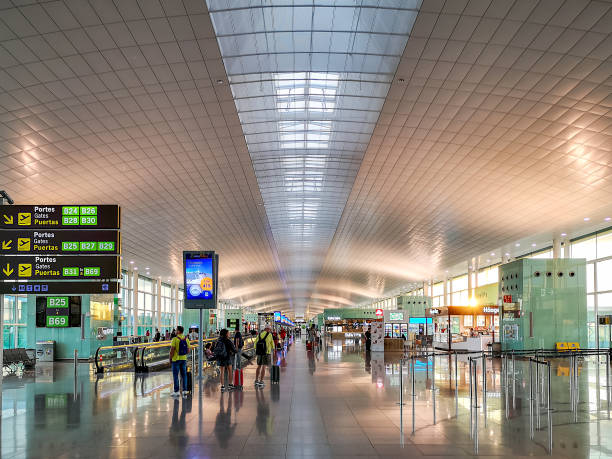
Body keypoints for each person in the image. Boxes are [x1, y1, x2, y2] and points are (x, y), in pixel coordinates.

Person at [169, 325, 191, 398]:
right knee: (184, 375)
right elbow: (188, 350)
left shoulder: (175, 339)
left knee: (176, 375)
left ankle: (176, 391)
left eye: (176, 330)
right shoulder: (186, 339)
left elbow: (172, 350)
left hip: (176, 359)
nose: (175, 331)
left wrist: (170, 358)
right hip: (183, 359)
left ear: (178, 331)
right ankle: (185, 390)